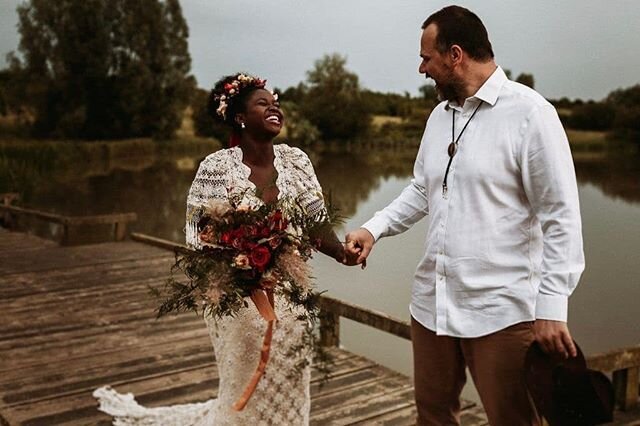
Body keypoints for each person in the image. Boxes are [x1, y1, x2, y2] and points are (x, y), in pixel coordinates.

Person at [345, 6, 584, 426]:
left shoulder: (531, 114)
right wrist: (374, 227)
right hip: (432, 305)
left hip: (501, 310)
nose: (421, 69)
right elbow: (423, 187)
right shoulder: (440, 115)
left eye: (426, 57)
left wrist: (551, 307)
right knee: (433, 416)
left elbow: (560, 216)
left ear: (455, 54)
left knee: (513, 420)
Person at [94, 73, 347, 425]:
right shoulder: (216, 168)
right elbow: (200, 239)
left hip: (292, 295)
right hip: (238, 299)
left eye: (275, 101)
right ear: (240, 118)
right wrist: (244, 269)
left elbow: (317, 221)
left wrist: (341, 252)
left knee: (291, 374)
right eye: (262, 102)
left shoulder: (296, 161)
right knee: (245, 380)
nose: (274, 106)